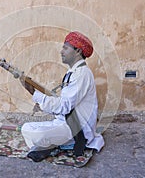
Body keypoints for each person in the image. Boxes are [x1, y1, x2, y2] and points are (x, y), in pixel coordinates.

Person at [20, 31, 104, 162]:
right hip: (65, 122)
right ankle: (53, 144)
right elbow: (63, 104)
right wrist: (43, 105)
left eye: (65, 48)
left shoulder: (82, 74)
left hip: (77, 129)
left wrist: (34, 93)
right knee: (26, 128)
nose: (61, 51)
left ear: (77, 51)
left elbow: (64, 106)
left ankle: (54, 145)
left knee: (38, 135)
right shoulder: (73, 72)